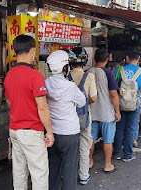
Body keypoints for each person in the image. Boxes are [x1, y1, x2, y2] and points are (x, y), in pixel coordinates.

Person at [4, 34, 54, 190]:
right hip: (31, 131)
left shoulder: (9, 75)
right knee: (39, 174)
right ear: (32, 51)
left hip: (14, 130)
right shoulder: (35, 76)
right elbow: (42, 107)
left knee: (19, 172)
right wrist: (50, 132)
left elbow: (11, 102)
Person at [46, 50, 86, 190]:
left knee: (53, 167)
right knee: (70, 169)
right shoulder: (70, 86)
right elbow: (82, 101)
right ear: (65, 67)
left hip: (52, 132)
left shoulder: (46, 83)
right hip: (69, 133)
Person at [68, 46, 97, 185]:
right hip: (85, 117)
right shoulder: (89, 76)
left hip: (68, 118)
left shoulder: (66, 77)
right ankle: (84, 176)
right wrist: (85, 103)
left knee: (69, 148)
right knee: (84, 147)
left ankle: (68, 176)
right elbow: (94, 97)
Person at [89, 48, 121, 173]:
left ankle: (89, 161)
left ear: (94, 58)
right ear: (107, 59)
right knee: (108, 140)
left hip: (92, 112)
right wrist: (117, 111)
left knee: (90, 138)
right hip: (107, 113)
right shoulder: (108, 73)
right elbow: (113, 94)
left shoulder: (88, 72)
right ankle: (107, 165)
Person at [113, 49, 141, 162]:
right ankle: (128, 154)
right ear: (138, 59)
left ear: (127, 58)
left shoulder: (119, 70)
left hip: (120, 103)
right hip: (134, 104)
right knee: (131, 129)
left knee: (119, 128)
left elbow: (114, 86)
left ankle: (116, 153)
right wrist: (138, 90)